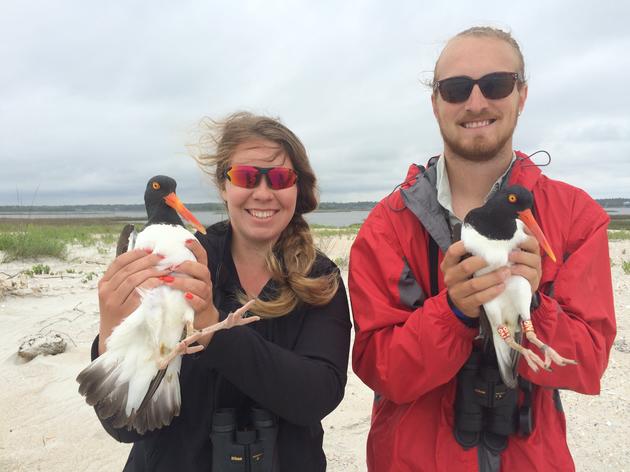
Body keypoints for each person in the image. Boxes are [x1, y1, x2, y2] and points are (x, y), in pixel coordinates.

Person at [349, 26, 616, 471]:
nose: (476, 103)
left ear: (522, 95)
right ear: (435, 103)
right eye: (455, 90)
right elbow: (381, 371)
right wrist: (452, 310)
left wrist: (531, 302)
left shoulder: (576, 217)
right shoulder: (386, 227)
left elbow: (586, 365)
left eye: (496, 85)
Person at [91, 112, 352, 471]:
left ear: (297, 187)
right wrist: (111, 332)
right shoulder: (180, 261)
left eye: (279, 178)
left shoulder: (321, 279)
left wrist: (213, 328)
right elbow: (123, 425)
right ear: (223, 186)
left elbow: (317, 396)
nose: (263, 192)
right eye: (246, 176)